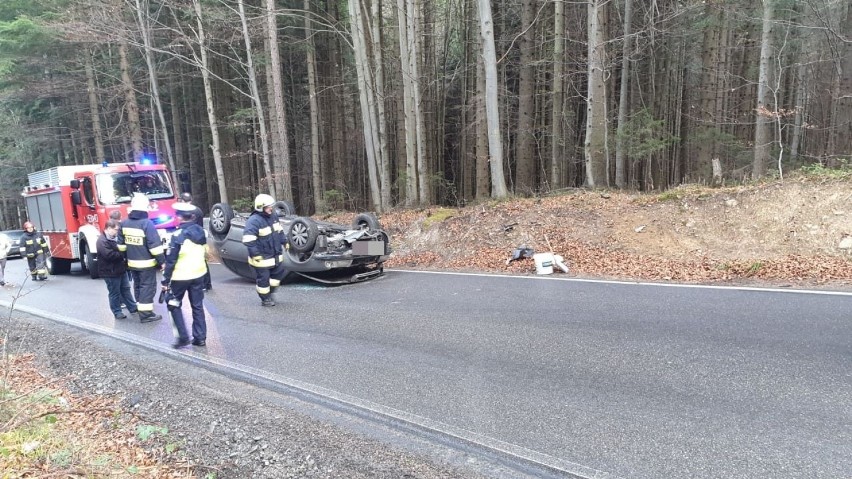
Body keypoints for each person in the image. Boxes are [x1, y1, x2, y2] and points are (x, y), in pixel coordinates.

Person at [161, 202, 208, 348]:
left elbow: (171, 260)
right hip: (199, 274)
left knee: (173, 304)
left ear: (179, 217)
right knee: (197, 306)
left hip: (180, 277)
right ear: (193, 216)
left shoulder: (176, 236)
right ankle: (200, 338)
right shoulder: (202, 232)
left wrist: (165, 280)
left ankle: (182, 337)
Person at [117, 194, 164, 323]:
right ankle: (146, 314)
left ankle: (140, 308)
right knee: (147, 287)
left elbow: (121, 246)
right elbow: (155, 247)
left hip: (132, 263)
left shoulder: (124, 223)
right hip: (146, 264)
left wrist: (125, 259)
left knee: (137, 286)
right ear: (145, 207)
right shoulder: (147, 224)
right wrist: (162, 261)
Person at [242, 194, 288, 306]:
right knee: (263, 279)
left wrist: (285, 242)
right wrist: (255, 254)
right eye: (268, 207)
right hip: (261, 257)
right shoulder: (253, 221)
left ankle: (270, 292)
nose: (271, 208)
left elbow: (279, 231)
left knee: (278, 275)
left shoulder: (273, 217)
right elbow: (248, 239)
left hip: (275, 255)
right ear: (260, 207)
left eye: (271, 206)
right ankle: (265, 299)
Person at [97, 219, 138, 320]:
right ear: (109, 228)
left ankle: (133, 308)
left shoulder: (115, 238)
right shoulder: (102, 241)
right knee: (115, 293)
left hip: (120, 269)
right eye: (116, 230)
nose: (117, 232)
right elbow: (109, 255)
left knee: (126, 290)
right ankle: (117, 312)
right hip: (110, 272)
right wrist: (123, 253)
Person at [179, 192, 212, 291]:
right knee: (202, 259)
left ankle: (200, 284)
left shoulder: (185, 211)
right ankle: (207, 283)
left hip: (190, 238)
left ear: (182, 200)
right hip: (200, 236)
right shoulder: (198, 210)